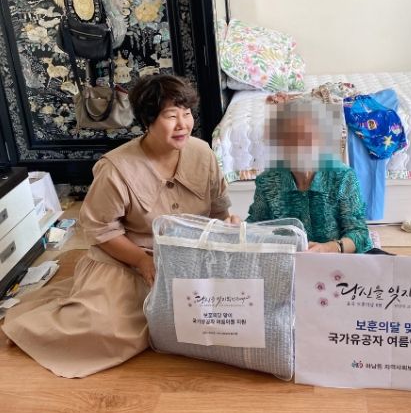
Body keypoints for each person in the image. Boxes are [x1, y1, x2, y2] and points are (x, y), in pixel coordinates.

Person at [2, 74, 239, 378]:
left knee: (222, 312)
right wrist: (142, 261)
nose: (183, 124)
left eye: (187, 113)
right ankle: (29, 326)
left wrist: (227, 226)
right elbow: (101, 230)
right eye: (171, 116)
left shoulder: (202, 152)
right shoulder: (116, 168)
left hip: (188, 255)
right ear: (148, 120)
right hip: (127, 258)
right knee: (108, 328)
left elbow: (218, 209)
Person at [247, 98, 388, 254]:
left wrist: (329, 248)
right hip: (289, 261)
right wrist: (238, 227)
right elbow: (256, 226)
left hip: (335, 261)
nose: (299, 146)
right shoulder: (268, 181)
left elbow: (359, 234)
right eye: (290, 138)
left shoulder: (342, 176)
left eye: (308, 137)